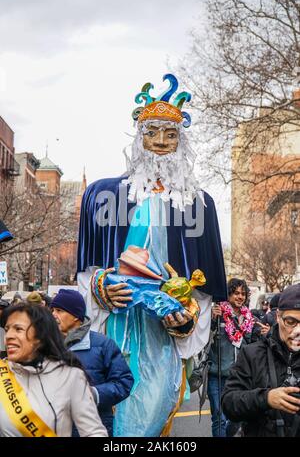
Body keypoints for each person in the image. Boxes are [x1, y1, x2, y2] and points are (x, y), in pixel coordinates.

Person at [77, 73, 227, 436]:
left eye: (171, 134)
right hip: (115, 331)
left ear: (182, 141)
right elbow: (86, 271)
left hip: (164, 340)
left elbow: (203, 291)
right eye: (152, 133)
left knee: (156, 410)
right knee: (109, 416)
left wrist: (187, 318)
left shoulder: (200, 204)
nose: (161, 142)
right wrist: (101, 288)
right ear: (139, 138)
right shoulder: (100, 195)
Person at [0, 302, 108, 437]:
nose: (8, 336)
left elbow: (93, 432)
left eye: (18, 329)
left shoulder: (70, 376)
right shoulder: (2, 373)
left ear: (40, 336)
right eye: (7, 329)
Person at [50, 288, 134, 436]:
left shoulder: (103, 344)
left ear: (76, 316)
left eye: (59, 311)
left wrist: (93, 394)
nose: (53, 315)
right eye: (52, 311)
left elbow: (124, 382)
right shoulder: (44, 345)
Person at [222, 283, 300, 437]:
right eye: (291, 322)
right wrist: (266, 398)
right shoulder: (252, 354)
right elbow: (229, 403)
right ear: (278, 316)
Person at [207, 278, 254, 437]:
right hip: (217, 376)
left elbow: (254, 346)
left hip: (240, 378)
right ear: (228, 295)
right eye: (235, 293)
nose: (240, 297)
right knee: (219, 419)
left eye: (243, 294)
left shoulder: (249, 318)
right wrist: (212, 321)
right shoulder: (218, 313)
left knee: (236, 419)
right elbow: (204, 339)